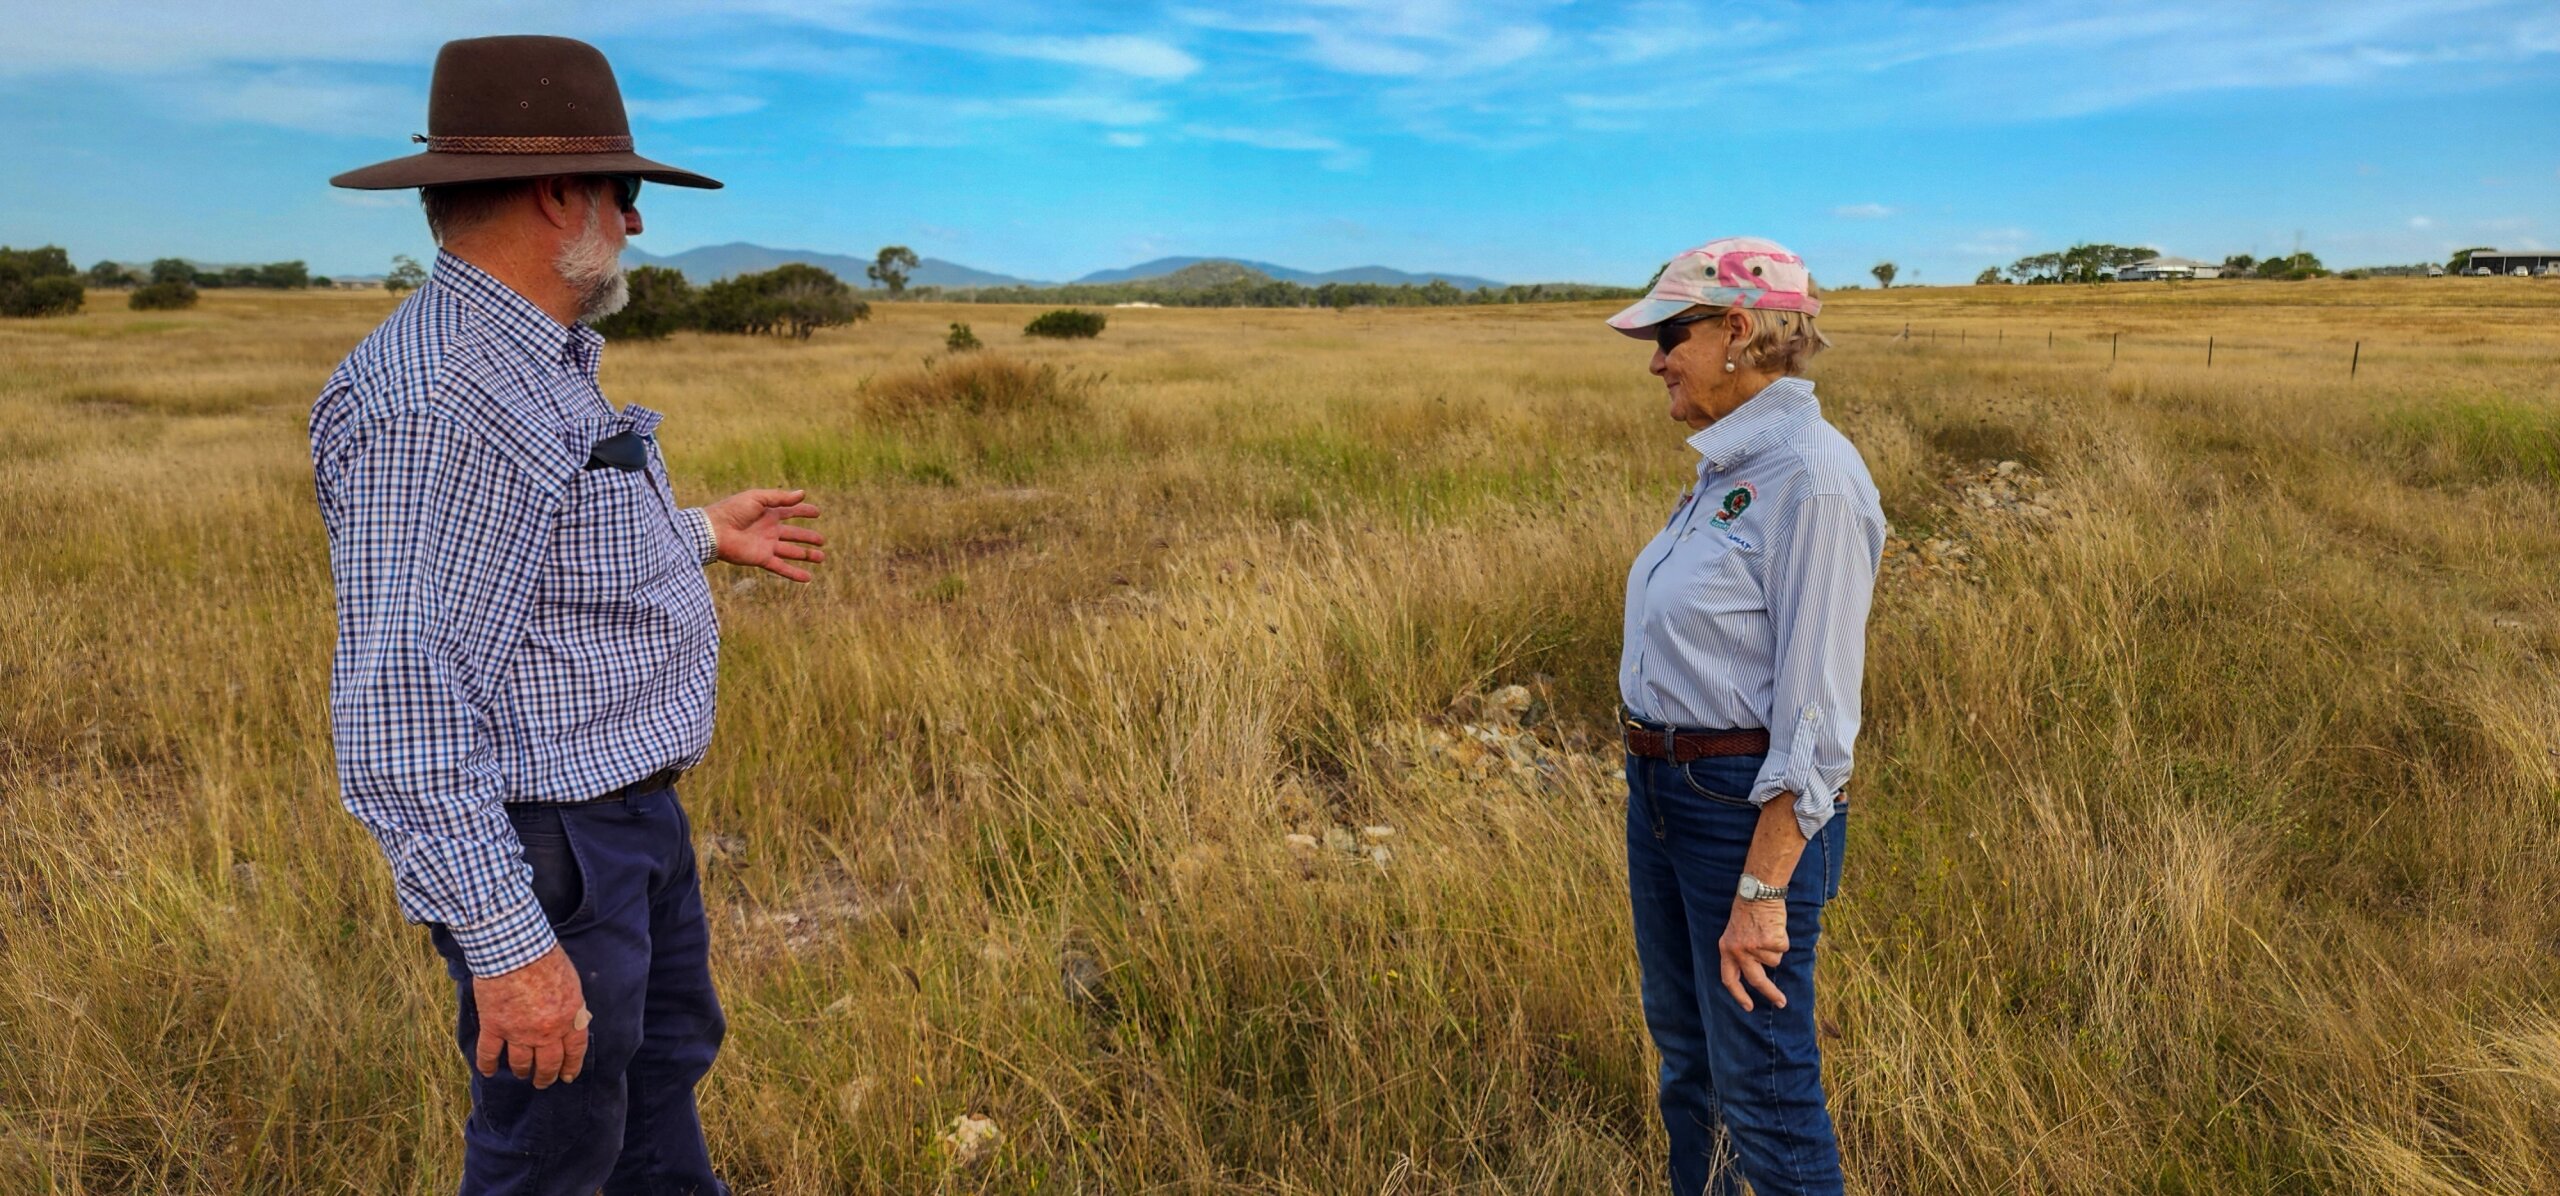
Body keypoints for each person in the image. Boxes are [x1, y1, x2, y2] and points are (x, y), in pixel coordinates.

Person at [315, 35, 825, 1194]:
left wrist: (697, 530)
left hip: (619, 827)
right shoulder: (442, 395)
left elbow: (533, 561)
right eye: (625, 192)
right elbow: (402, 705)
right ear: (561, 195)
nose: (635, 224)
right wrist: (510, 947)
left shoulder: (524, 360)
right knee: (551, 1154)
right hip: (556, 847)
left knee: (647, 1099)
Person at [1607, 237, 1885, 1196]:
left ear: (1736, 330)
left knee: (1764, 1088)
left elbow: (1818, 717)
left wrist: (1762, 893)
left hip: (1740, 809)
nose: (1654, 359)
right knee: (1692, 1067)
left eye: (1668, 333)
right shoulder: (1736, 466)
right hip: (1666, 792)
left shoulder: (1813, 477)